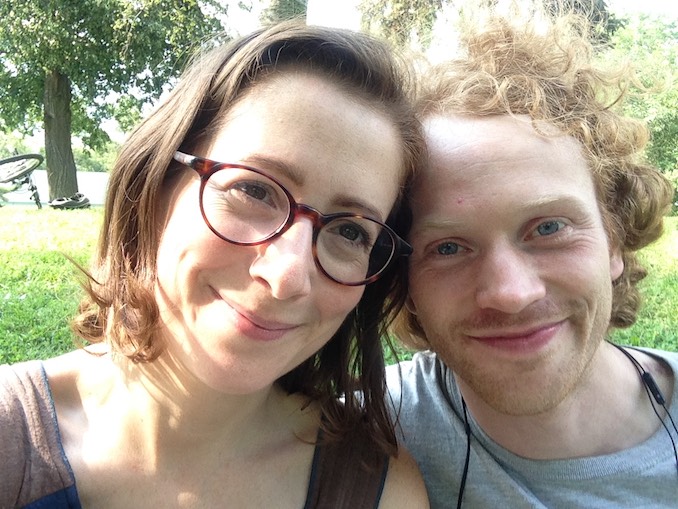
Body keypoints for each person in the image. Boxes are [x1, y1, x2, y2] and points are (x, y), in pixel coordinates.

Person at [0, 21, 430, 508]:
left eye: (351, 231)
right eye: (254, 189)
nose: (286, 276)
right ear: (156, 185)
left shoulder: (377, 489)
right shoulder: (10, 443)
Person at [386, 8, 677, 509]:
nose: (511, 293)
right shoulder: (365, 434)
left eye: (548, 228)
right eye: (448, 248)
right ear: (405, 282)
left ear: (614, 240)